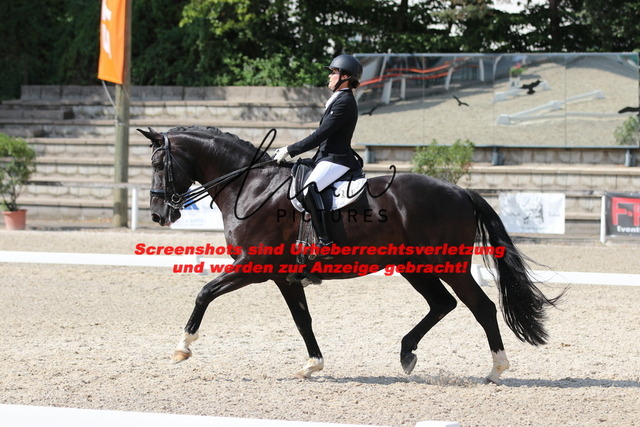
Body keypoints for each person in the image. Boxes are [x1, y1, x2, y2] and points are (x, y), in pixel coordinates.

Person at [273, 54, 363, 249]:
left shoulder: (345, 102)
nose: (329, 76)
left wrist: (290, 149)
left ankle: (325, 240)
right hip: (326, 157)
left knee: (308, 189)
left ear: (345, 77)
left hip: (337, 159)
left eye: (334, 72)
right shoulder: (338, 99)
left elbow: (321, 134)